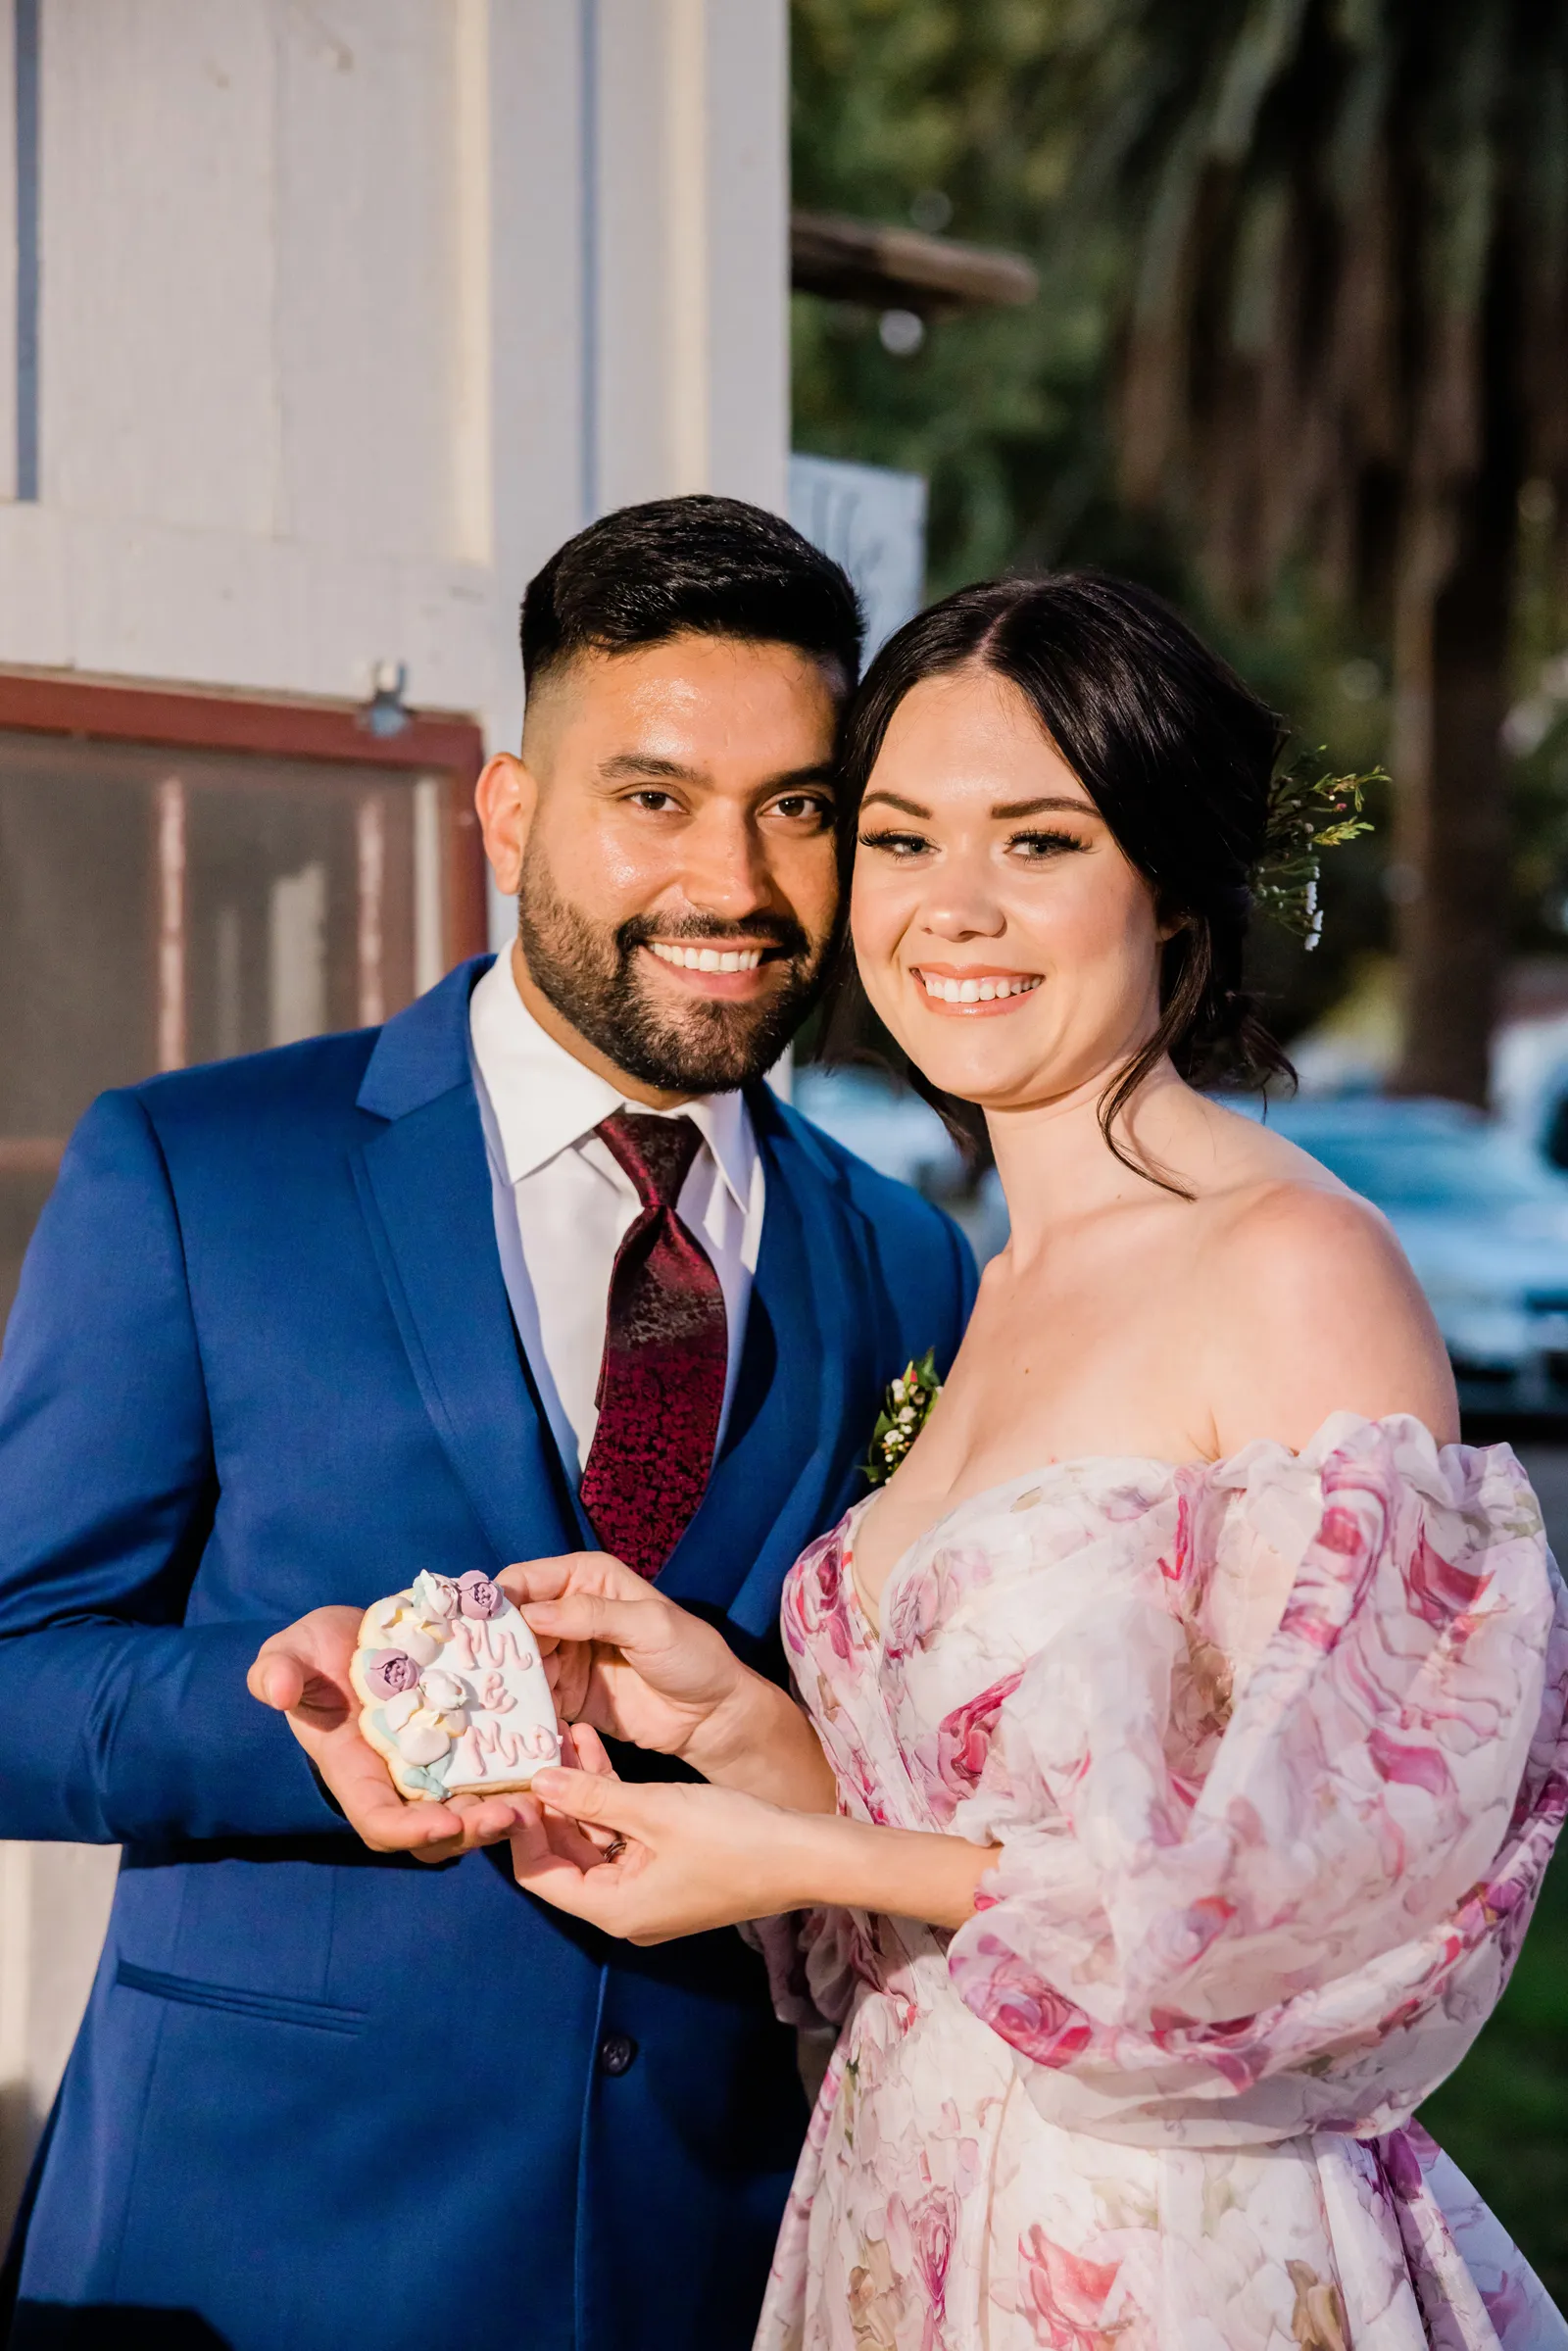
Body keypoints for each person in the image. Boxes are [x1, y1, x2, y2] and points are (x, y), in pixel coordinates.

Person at [491, 573, 1568, 2351]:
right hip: (909, 2196)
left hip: (1152, 2238)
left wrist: (778, 1860)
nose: (955, 906)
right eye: (901, 838)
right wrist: (737, 1726)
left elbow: (1320, 1907)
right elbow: (975, 1851)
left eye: (1042, 840)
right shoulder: (983, 1279)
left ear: (1174, 887)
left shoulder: (1291, 1265)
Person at [0, 496, 976, 2351]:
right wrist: (287, 1726)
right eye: (655, 796)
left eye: (797, 805)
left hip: (709, 2260)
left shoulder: (910, 1265)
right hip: (254, 2247)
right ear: (511, 815)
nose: (736, 882)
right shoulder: (201, 1172)